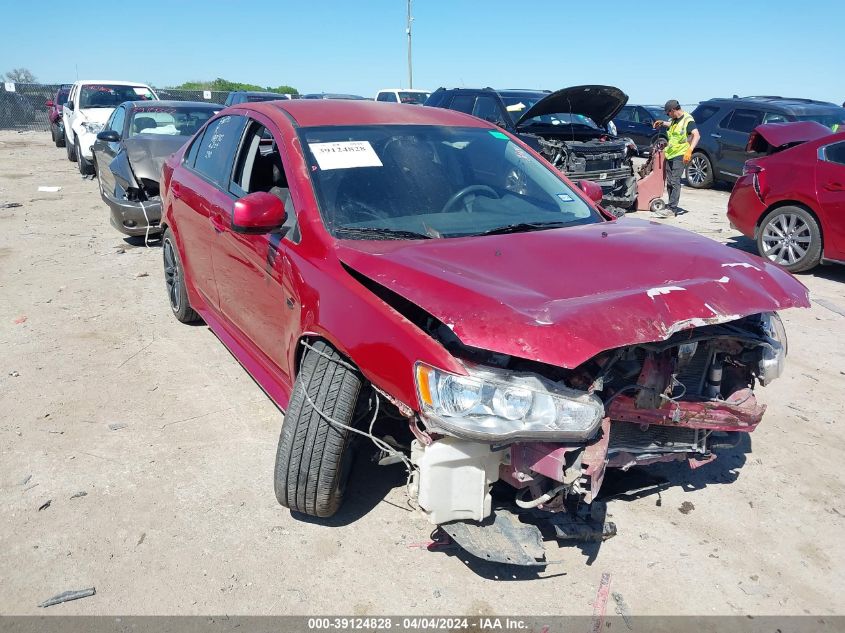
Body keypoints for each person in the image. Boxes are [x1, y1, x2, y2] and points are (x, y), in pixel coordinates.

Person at [652, 99, 700, 217]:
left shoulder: (688, 120)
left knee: (675, 181)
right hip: (671, 153)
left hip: (681, 154)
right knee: (669, 181)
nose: (668, 115)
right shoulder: (674, 119)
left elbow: (697, 135)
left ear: (673, 110)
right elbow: (673, 125)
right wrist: (662, 123)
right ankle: (670, 206)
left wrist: (690, 150)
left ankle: (672, 209)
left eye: (668, 113)